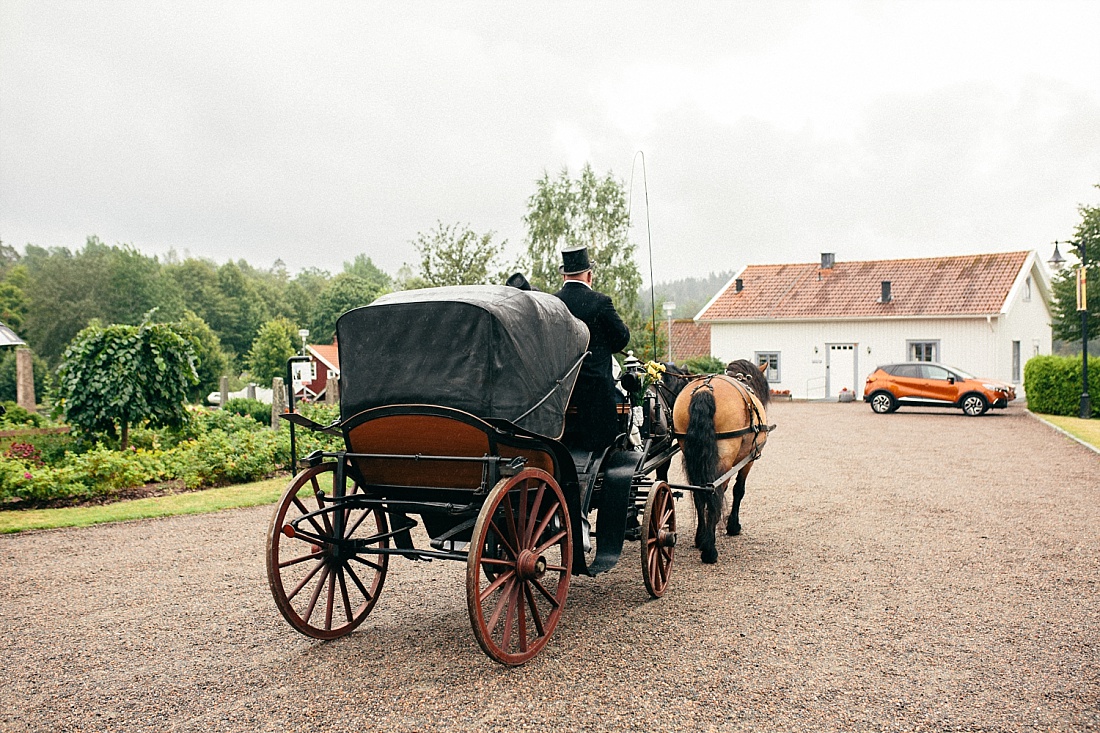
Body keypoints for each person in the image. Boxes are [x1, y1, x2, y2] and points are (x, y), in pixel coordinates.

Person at [554, 246, 631, 451]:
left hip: (561, 396)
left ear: (564, 276)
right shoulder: (601, 303)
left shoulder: (553, 303)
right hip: (596, 396)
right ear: (589, 275)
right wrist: (604, 346)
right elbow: (622, 338)